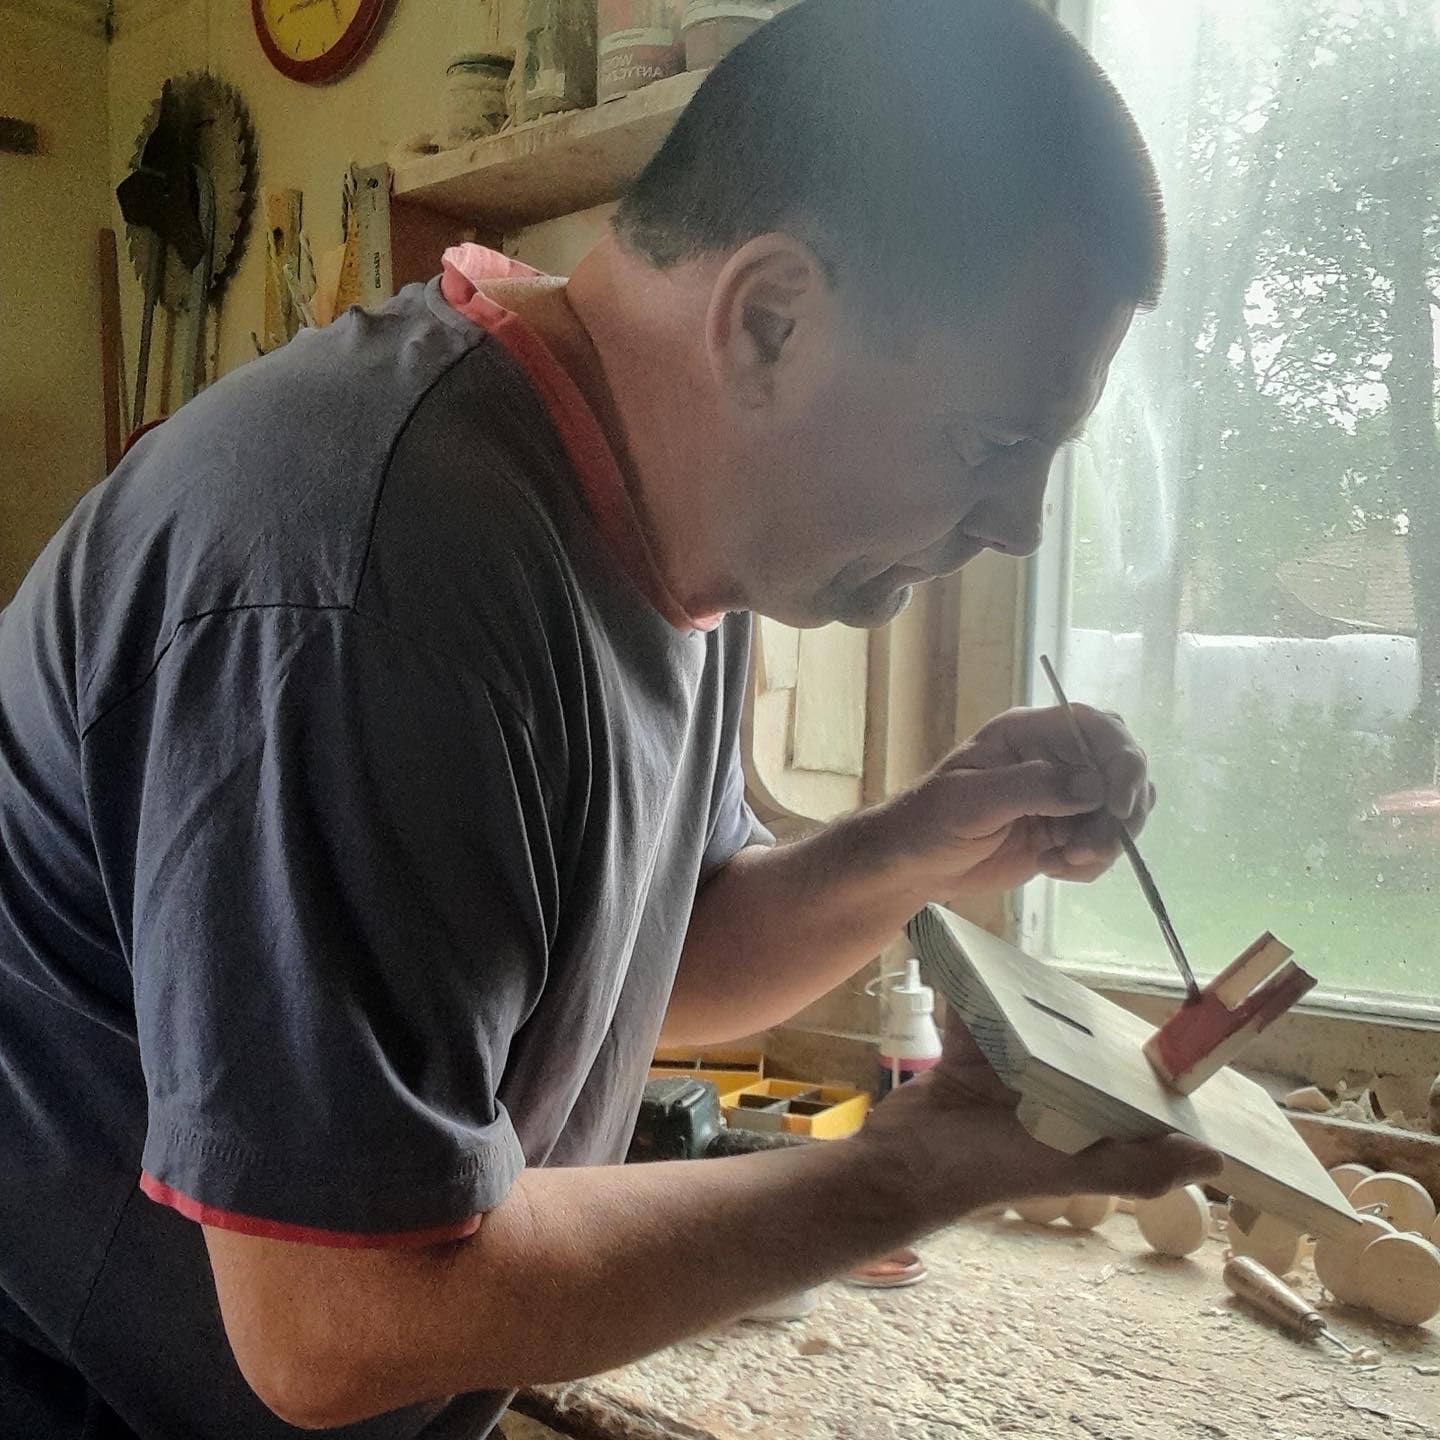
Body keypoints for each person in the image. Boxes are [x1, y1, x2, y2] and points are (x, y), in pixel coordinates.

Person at [0, 1, 1221, 1435]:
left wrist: (929, 842)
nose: (1017, 526)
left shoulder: (682, 523)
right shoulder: (375, 570)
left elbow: (659, 959)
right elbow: (336, 1322)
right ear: (769, 319)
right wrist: (910, 1170)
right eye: (992, 442)